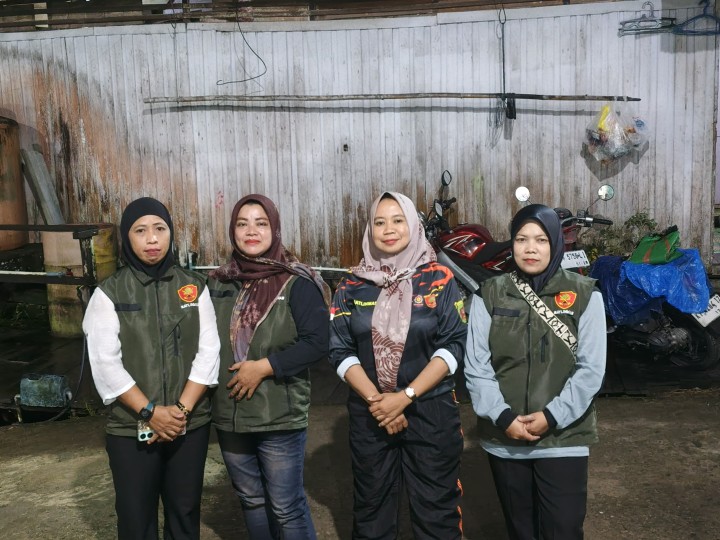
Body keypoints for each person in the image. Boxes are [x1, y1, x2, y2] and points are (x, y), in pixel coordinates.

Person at [329, 192, 467, 540]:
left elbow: (453, 345)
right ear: (370, 230)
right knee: (371, 511)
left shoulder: (439, 279)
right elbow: (340, 350)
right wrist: (380, 403)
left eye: (397, 220)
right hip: (371, 413)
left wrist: (405, 397)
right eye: (379, 222)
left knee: (436, 511)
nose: (388, 229)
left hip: (431, 410)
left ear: (413, 225)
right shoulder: (351, 285)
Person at [464, 203, 607, 540]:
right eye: (521, 239)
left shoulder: (585, 294)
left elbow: (591, 369)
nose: (530, 248)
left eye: (541, 240)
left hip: (564, 437)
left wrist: (553, 416)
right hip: (505, 437)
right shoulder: (489, 293)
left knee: (564, 529)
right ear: (511, 244)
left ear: (555, 243)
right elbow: (477, 366)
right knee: (521, 530)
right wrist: (502, 417)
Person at [82, 197, 221, 539]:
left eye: (160, 228)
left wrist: (179, 412)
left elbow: (209, 351)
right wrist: (150, 412)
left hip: (188, 424)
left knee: (184, 512)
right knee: (136, 518)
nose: (152, 239)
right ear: (126, 238)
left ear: (171, 233)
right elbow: (105, 363)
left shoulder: (194, 287)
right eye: (140, 231)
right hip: (131, 427)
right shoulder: (109, 293)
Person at [208, 194, 330, 540]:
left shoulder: (296, 282)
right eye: (242, 223)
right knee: (251, 499)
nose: (251, 231)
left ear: (274, 229)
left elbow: (317, 342)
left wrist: (265, 367)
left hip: (278, 413)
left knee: (285, 505)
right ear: (232, 230)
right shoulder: (219, 282)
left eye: (260, 223)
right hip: (230, 413)